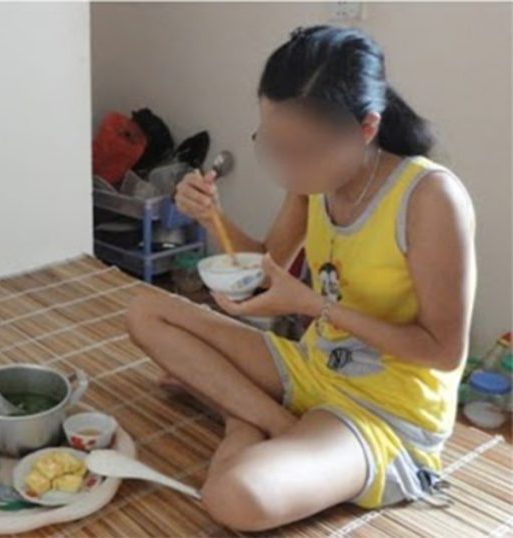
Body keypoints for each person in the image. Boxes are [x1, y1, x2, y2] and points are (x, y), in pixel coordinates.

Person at [127, 25, 475, 530]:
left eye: (305, 150)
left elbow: (443, 352)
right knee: (146, 310)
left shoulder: (430, 198)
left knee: (233, 496)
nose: (290, 170)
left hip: (384, 410)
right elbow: (265, 263)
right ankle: (272, 422)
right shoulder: (314, 178)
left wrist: (316, 306)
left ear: (367, 128)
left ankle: (240, 417)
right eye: (276, 145)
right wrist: (211, 216)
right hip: (313, 366)